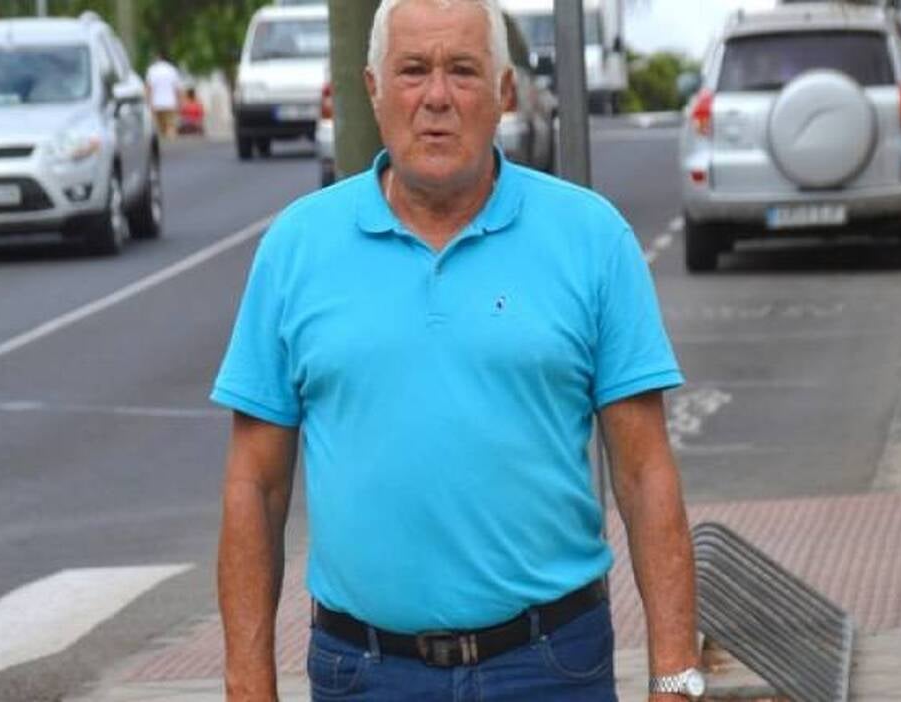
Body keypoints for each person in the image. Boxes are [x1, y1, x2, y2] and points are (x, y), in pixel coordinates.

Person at [212, 0, 702, 700]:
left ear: (504, 92)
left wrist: (677, 678)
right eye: (413, 70)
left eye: (463, 71)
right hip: (364, 674)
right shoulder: (296, 248)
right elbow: (254, 489)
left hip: (550, 669)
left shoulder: (592, 238)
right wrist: (248, 686)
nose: (436, 97)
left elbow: (646, 475)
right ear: (373, 89)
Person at [144, 52, 183, 139]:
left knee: (160, 129)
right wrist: (180, 103)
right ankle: (171, 143)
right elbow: (177, 89)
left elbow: (148, 88)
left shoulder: (152, 70)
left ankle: (163, 144)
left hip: (156, 104)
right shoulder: (172, 70)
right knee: (170, 126)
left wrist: (148, 102)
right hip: (170, 103)